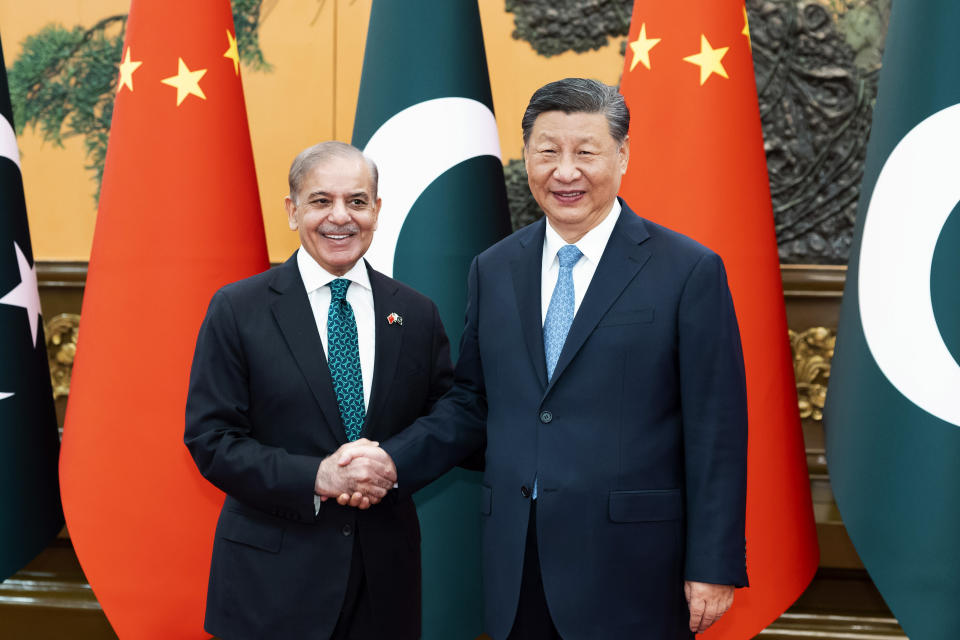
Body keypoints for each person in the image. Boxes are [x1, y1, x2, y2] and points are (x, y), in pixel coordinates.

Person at [343, 78, 749, 639]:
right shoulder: (493, 267)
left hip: (635, 566)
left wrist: (713, 564)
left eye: (586, 152)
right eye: (548, 152)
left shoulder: (687, 270)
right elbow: (472, 404)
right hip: (519, 560)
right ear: (527, 157)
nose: (565, 172)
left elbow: (717, 429)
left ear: (623, 154)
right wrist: (392, 461)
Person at [184, 141, 450, 640]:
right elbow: (212, 440)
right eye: (321, 201)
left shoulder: (415, 313)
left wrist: (393, 462)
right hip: (271, 589)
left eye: (356, 201)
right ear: (292, 211)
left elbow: (450, 418)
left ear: (376, 210)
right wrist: (318, 476)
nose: (340, 218)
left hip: (384, 588)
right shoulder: (238, 309)